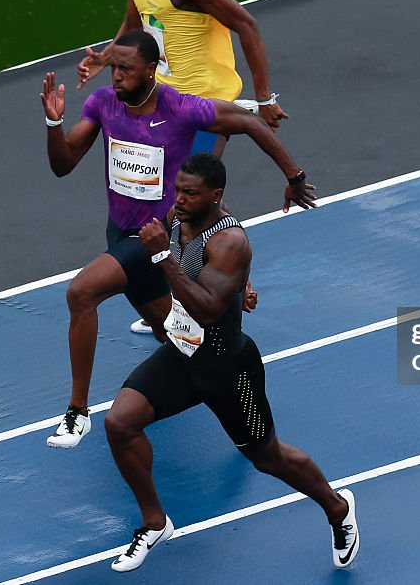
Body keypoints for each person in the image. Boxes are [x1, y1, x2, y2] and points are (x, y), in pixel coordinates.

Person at [42, 30, 316, 448]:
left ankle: (78, 413)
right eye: (113, 68)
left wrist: (294, 177)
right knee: (172, 333)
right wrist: (53, 123)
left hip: (154, 237)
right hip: (121, 234)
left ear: (151, 70)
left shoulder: (181, 108)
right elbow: (62, 165)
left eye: (126, 70)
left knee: (82, 293)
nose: (115, 77)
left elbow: (247, 122)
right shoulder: (102, 104)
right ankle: (221, 385)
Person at [104, 153, 359, 572]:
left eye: (190, 193)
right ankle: (154, 522)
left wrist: (161, 258)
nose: (179, 199)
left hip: (228, 369)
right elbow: (219, 276)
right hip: (183, 356)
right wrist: (243, 285)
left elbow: (206, 308)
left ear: (216, 195)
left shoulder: (230, 240)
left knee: (268, 457)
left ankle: (337, 508)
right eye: (178, 189)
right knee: (119, 423)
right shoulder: (179, 217)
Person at [78, 0, 286, 337]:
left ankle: (223, 289)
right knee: (169, 199)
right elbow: (136, 23)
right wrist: (105, 58)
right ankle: (182, 292)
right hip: (166, 97)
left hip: (209, 101)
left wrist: (266, 98)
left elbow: (247, 25)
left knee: (181, 202)